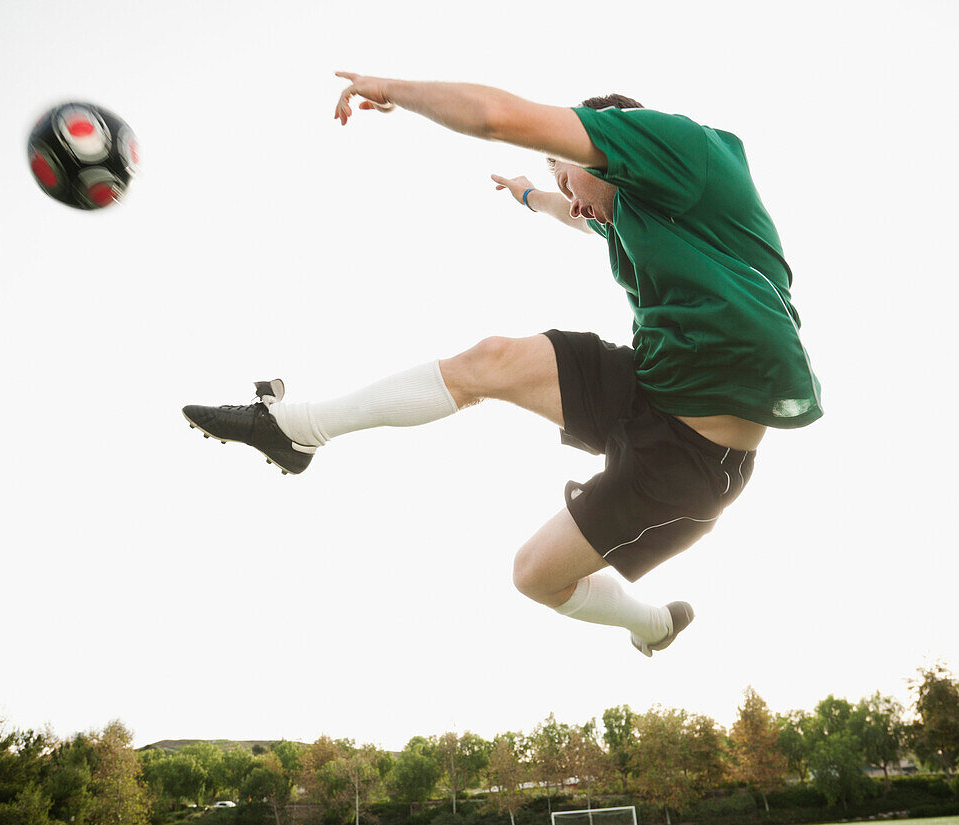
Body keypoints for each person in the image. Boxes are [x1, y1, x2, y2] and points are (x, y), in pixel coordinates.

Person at [182, 72, 822, 656]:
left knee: (534, 577)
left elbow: (494, 114)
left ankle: (653, 624)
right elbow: (573, 216)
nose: (568, 190)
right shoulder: (629, 209)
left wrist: (391, 90)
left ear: (611, 144)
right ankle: (297, 429)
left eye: (566, 168)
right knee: (491, 360)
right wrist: (527, 195)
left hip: (694, 457)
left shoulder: (685, 152)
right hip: (648, 385)